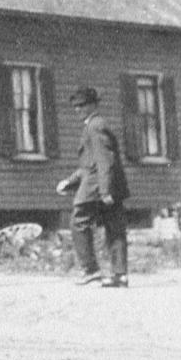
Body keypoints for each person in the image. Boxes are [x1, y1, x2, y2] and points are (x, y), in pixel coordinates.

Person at [56, 86, 131, 288]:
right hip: (104, 185)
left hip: (97, 188)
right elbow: (89, 164)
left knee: (79, 222)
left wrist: (105, 191)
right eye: (76, 106)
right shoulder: (94, 126)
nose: (78, 110)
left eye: (82, 105)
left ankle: (91, 271)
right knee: (114, 228)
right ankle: (119, 275)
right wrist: (70, 182)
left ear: (93, 105)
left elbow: (104, 160)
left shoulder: (95, 126)